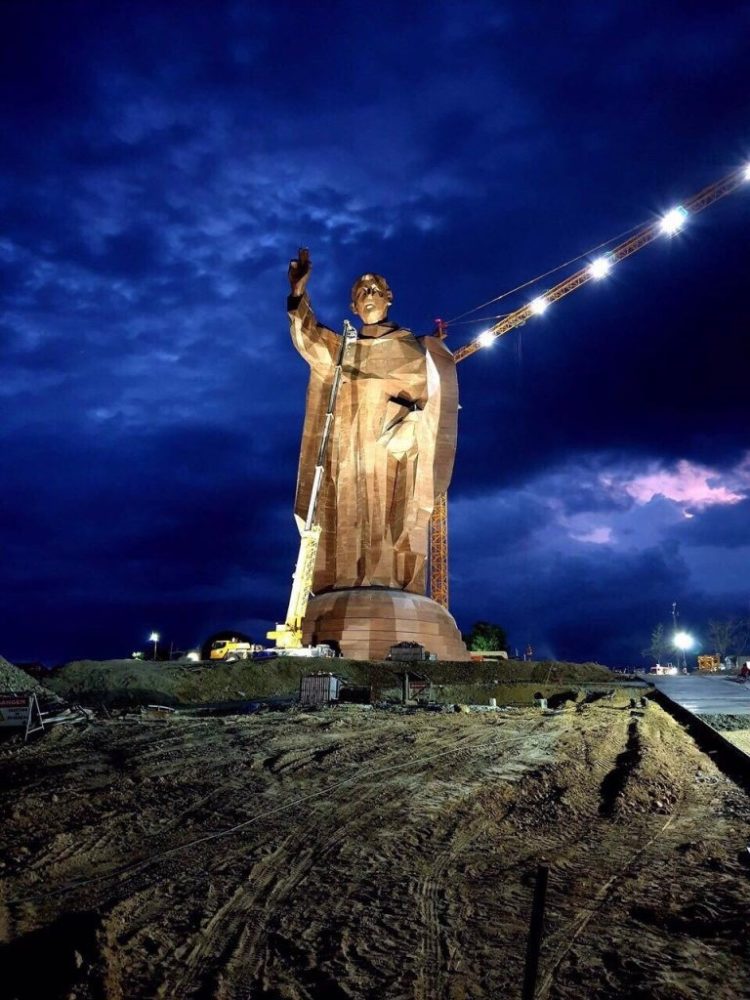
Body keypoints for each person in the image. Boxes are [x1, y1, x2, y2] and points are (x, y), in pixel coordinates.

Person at [286, 248, 458, 595]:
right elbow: (308, 339)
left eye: (375, 290)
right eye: (360, 293)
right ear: (353, 307)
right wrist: (298, 294)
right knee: (344, 517)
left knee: (386, 519)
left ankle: (389, 585)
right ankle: (343, 584)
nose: (368, 297)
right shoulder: (342, 348)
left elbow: (434, 403)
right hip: (348, 452)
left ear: (389, 298)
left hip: (392, 454)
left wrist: (411, 422)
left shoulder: (412, 349)